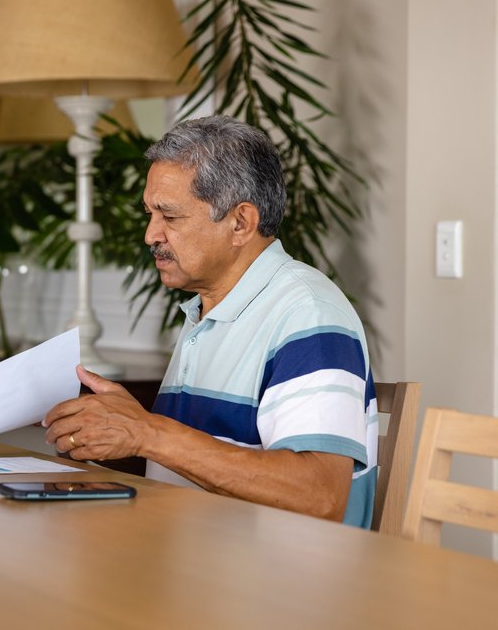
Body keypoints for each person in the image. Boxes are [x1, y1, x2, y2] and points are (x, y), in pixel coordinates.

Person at [43, 116, 377, 527]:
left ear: (240, 223)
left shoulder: (308, 313)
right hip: (187, 551)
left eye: (170, 217)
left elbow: (319, 496)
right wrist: (115, 431)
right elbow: (187, 463)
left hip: (280, 569)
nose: (151, 235)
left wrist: (148, 432)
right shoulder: (207, 311)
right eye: (150, 214)